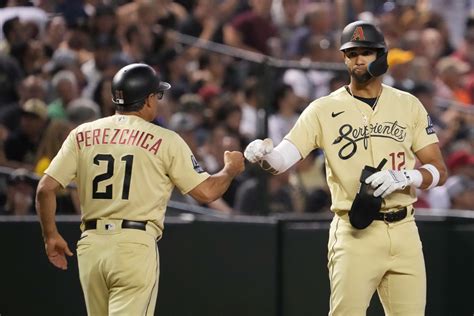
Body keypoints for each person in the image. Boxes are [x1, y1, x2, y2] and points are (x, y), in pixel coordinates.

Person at [244, 21, 448, 315]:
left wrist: (409, 175)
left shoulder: (409, 105)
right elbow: (281, 160)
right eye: (352, 54)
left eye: (367, 52)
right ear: (343, 59)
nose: (359, 59)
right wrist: (264, 155)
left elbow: (439, 170)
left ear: (382, 56)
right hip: (355, 231)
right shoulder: (322, 109)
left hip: (405, 229)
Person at [35, 63, 245, 315]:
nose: (158, 100)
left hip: (91, 246)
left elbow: (45, 189)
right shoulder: (166, 139)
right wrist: (229, 170)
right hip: (134, 245)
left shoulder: (82, 134)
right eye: (157, 95)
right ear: (147, 100)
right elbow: (207, 192)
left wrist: (51, 235)